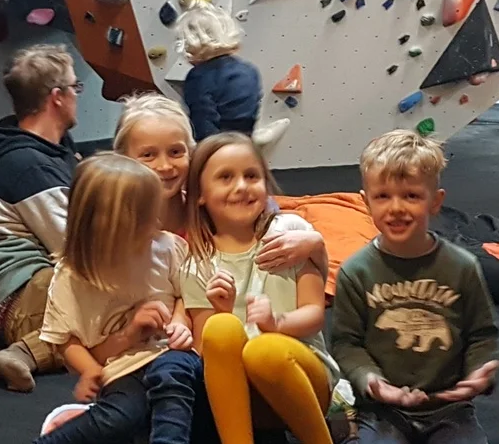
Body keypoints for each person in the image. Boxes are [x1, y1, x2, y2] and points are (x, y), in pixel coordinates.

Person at [331, 130, 499, 444]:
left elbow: (482, 334)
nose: (396, 207)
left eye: (411, 196)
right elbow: (346, 343)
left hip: (449, 408)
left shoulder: (462, 267)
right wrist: (372, 381)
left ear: (435, 202)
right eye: (383, 196)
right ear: (366, 202)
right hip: (382, 409)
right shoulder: (355, 272)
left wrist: (479, 371)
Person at [32, 153, 206, 444]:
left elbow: (186, 295)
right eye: (147, 218)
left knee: (172, 381)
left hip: (170, 354)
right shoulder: (72, 278)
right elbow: (65, 340)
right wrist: (92, 368)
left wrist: (180, 322)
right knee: (120, 417)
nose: (157, 222)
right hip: (123, 369)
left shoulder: (168, 248)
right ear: (112, 226)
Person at [180, 132, 339, 444]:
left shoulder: (290, 236)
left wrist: (276, 323)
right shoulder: (196, 265)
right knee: (221, 328)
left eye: (251, 176)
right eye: (225, 177)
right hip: (243, 400)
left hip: (303, 382)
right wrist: (222, 311)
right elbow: (204, 352)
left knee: (264, 350)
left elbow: (314, 313)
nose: (241, 186)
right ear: (200, 195)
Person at [113, 92, 328, 272]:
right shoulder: (114, 226)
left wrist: (314, 244)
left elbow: (270, 221)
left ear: (190, 152)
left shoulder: (216, 209)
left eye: (175, 152)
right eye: (148, 155)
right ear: (123, 159)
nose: (165, 166)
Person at [0, 45, 82, 392]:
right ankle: (23, 354)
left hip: (34, 286)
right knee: (127, 310)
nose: (77, 95)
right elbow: (78, 248)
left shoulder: (53, 149)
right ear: (57, 97)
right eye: (75, 87)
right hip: (25, 297)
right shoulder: (29, 166)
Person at [177, 0, 262, 142]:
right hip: (246, 143)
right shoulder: (249, 69)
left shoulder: (199, 77)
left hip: (217, 145)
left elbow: (203, 122)